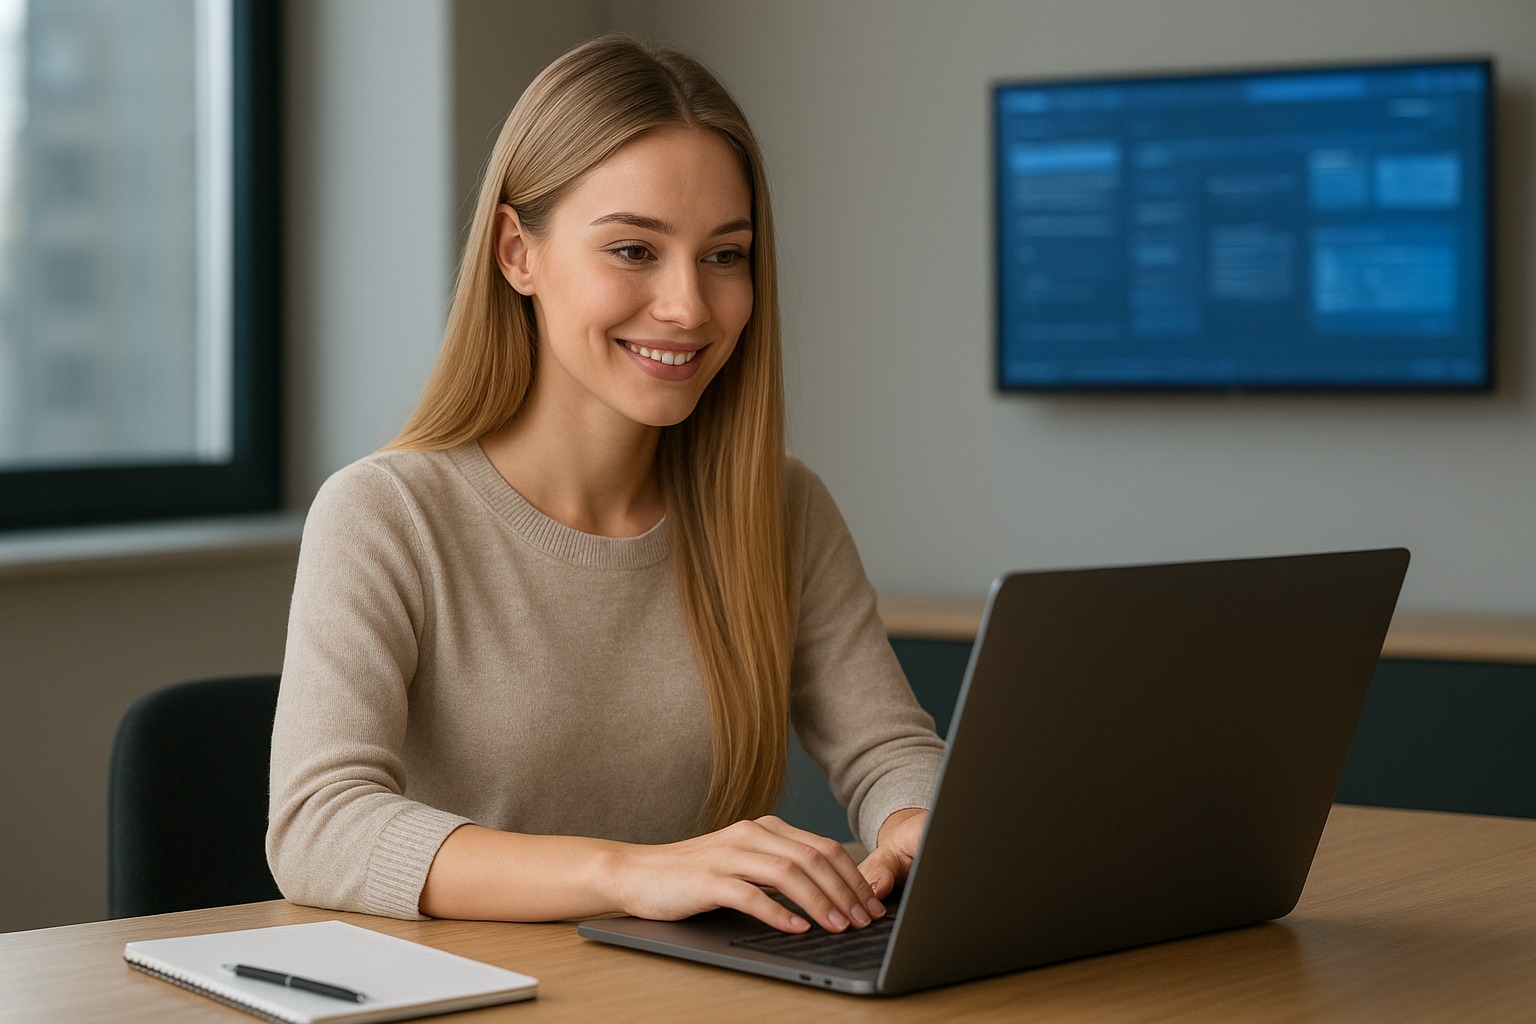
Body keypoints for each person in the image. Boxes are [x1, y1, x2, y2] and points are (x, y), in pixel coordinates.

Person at [266, 33, 944, 937]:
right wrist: (630, 874)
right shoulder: (386, 513)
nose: (688, 306)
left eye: (725, 256)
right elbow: (319, 828)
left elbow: (890, 748)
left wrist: (914, 825)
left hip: (691, 988)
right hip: (472, 989)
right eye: (633, 249)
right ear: (518, 253)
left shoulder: (782, 508)